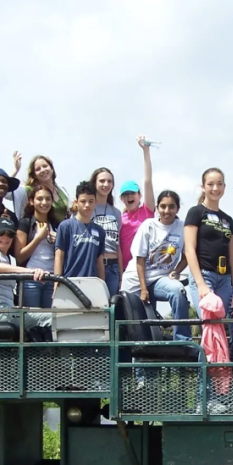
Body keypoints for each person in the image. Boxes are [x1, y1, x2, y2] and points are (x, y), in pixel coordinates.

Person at [120, 190, 190, 339]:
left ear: (177, 208)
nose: (167, 211)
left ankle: (182, 341)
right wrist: (143, 289)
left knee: (178, 291)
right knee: (137, 330)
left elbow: (187, 256)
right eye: (163, 206)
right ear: (157, 208)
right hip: (136, 281)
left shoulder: (183, 227)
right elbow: (140, 259)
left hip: (160, 279)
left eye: (171, 207)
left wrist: (177, 271)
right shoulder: (148, 225)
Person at [0, 216, 52, 336]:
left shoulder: (11, 260)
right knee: (52, 318)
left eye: (10, 234)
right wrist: (30, 271)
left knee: (49, 314)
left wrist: (37, 275)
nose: (5, 237)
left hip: (6, 309)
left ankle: (42, 353)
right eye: (1, 233)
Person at [183, 167, 233, 323]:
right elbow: (189, 249)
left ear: (224, 187)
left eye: (219, 184)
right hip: (204, 274)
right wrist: (201, 284)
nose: (215, 188)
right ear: (203, 187)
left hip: (225, 278)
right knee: (209, 322)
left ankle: (223, 349)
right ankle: (206, 349)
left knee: (222, 323)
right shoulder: (196, 212)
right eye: (210, 184)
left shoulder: (228, 219)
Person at [14, 184, 59, 308]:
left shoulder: (56, 225)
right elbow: (19, 257)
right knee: (32, 320)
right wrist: (38, 238)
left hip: (51, 277)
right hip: (31, 278)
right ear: (31, 201)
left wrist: (59, 242)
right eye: (39, 199)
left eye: (48, 199)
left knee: (50, 321)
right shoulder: (25, 223)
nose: (44, 202)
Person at [118, 136, 157, 270]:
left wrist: (145, 151)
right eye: (125, 195)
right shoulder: (119, 219)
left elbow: (147, 180)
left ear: (139, 195)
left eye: (132, 193)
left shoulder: (147, 211)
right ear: (121, 199)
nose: (129, 197)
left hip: (147, 268)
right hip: (126, 271)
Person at [54, 181, 106, 281]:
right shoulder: (65, 226)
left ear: (96, 202)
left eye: (91, 201)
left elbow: (99, 261)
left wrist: (102, 284)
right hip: (69, 282)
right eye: (83, 201)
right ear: (76, 202)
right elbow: (59, 256)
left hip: (92, 282)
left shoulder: (100, 231)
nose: (87, 205)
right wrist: (57, 282)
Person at [88, 165, 123, 296]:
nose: (106, 184)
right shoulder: (87, 208)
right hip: (93, 265)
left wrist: (121, 275)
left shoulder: (116, 212)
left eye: (109, 181)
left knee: (110, 308)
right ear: (94, 183)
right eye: (102, 181)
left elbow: (117, 245)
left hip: (113, 266)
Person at [12, 152, 69, 225]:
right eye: (38, 169)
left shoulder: (61, 189)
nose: (42, 170)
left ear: (52, 169)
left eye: (45, 166)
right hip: (42, 231)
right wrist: (16, 170)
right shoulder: (30, 190)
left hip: (61, 232)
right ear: (34, 175)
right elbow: (6, 192)